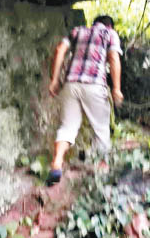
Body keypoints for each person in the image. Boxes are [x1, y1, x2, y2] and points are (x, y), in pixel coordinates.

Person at [46, 15, 123, 185]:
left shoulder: (77, 31)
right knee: (101, 130)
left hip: (70, 84)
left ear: (94, 23)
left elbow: (60, 50)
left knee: (68, 127)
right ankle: (101, 171)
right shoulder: (109, 34)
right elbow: (114, 58)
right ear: (109, 25)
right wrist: (116, 88)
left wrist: (54, 80)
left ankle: (57, 162)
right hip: (94, 85)